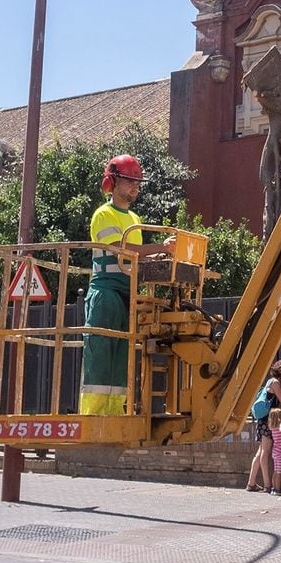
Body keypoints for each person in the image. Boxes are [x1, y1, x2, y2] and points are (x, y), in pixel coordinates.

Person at [81, 155, 174, 417]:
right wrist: (159, 247)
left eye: (137, 182)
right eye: (130, 181)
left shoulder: (134, 218)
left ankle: (113, 413)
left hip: (128, 293)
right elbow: (121, 249)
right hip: (106, 291)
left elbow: (136, 256)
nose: (135, 187)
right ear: (113, 182)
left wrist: (161, 256)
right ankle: (92, 414)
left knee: (122, 357)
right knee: (100, 353)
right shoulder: (103, 214)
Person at [245, 360, 281, 493]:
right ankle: (267, 485)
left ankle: (251, 483)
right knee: (265, 452)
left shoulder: (271, 381)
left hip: (264, 420)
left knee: (260, 452)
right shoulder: (275, 383)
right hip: (267, 422)